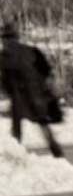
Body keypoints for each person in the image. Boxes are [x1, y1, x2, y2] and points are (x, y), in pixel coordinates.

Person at [1, 23, 64, 158]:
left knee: (17, 127)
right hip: (37, 94)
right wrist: (47, 88)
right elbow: (46, 71)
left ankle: (16, 154)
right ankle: (56, 151)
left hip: (19, 96)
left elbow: (4, 80)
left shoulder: (4, 57)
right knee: (42, 122)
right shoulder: (31, 51)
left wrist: (9, 91)